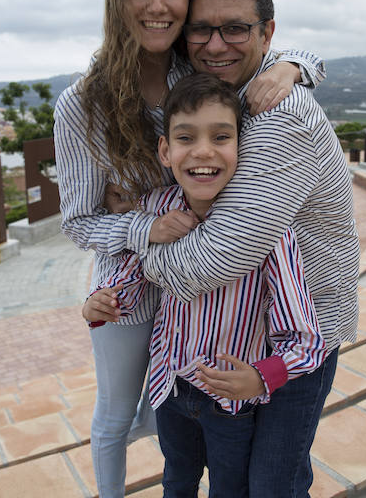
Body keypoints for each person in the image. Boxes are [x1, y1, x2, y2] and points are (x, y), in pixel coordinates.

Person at [54, 0, 326, 498]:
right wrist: (144, 226)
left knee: (187, 419)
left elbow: (254, 48)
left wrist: (294, 66)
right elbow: (78, 222)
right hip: (134, 269)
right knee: (121, 411)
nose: (158, 6)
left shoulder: (196, 67)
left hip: (221, 273)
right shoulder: (82, 105)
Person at [132, 0, 360, 497]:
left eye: (235, 28)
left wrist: (144, 243)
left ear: (267, 33)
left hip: (297, 337)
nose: (215, 45)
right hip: (238, 333)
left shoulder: (285, 118)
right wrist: (299, 62)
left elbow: (208, 266)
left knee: (270, 487)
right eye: (201, 28)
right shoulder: (223, 91)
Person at [85, 72, 326, 497]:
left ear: (240, 146)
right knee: (176, 482)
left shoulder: (269, 229)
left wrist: (261, 377)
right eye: (185, 138)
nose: (203, 152)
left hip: (229, 406)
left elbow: (307, 341)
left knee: (228, 490)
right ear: (165, 150)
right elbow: (132, 273)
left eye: (220, 137)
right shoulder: (155, 208)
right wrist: (103, 300)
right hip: (170, 386)